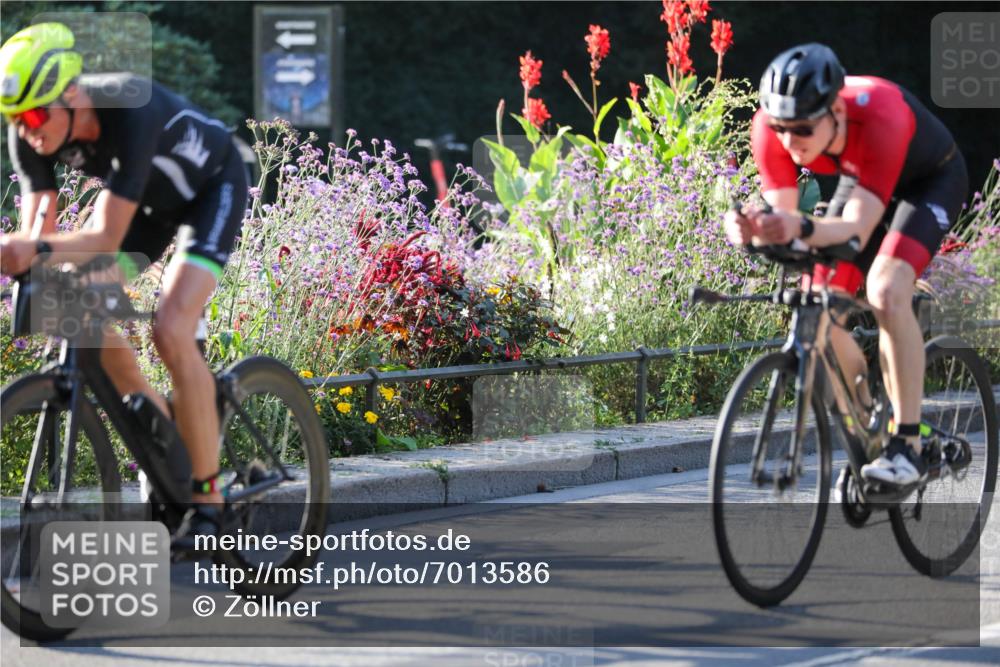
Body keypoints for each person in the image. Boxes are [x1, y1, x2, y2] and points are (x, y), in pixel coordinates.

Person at [0, 23, 249, 543]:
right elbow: (38, 234)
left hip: (210, 193)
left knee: (172, 328)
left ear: (71, 94)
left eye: (36, 115)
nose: (27, 131)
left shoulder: (128, 109)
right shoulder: (32, 134)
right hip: (148, 214)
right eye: (13, 120)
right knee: (75, 304)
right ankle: (173, 452)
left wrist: (35, 250)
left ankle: (208, 497)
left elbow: (106, 236)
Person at [724, 43, 967, 488]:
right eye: (780, 127)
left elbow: (856, 226)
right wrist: (752, 227)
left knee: (886, 288)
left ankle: (907, 445)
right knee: (818, 307)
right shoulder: (771, 129)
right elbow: (789, 221)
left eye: (800, 129)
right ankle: (868, 424)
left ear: (835, 108)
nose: (788, 141)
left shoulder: (880, 113)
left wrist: (795, 226)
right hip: (864, 182)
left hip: (926, 182)